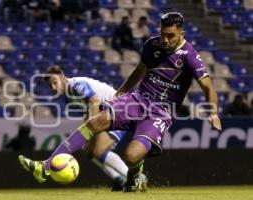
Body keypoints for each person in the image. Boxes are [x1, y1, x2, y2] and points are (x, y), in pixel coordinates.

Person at [18, 12, 222, 192]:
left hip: (160, 112)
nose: (165, 40)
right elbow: (138, 72)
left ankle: (134, 177)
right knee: (93, 123)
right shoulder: (151, 45)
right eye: (163, 34)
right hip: (137, 99)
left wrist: (213, 113)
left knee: (132, 156)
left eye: (171, 36)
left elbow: (208, 88)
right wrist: (121, 93)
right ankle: (45, 167)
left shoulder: (190, 57)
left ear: (181, 34)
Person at [19, 65, 132, 191]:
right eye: (51, 85)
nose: (54, 87)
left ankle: (134, 179)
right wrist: (85, 132)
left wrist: (87, 129)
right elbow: (87, 112)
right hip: (107, 113)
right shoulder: (68, 97)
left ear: (62, 76)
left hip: (120, 110)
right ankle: (119, 179)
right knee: (89, 151)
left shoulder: (76, 85)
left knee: (98, 150)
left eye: (55, 82)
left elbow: (95, 102)